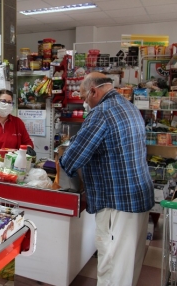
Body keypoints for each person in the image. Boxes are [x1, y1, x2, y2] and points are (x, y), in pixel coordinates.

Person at [59, 72, 154, 286]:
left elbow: (72, 158)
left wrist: (62, 161)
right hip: (137, 198)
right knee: (126, 268)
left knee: (112, 271)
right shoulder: (127, 106)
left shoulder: (101, 112)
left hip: (117, 202)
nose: (84, 103)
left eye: (84, 97)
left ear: (94, 91)